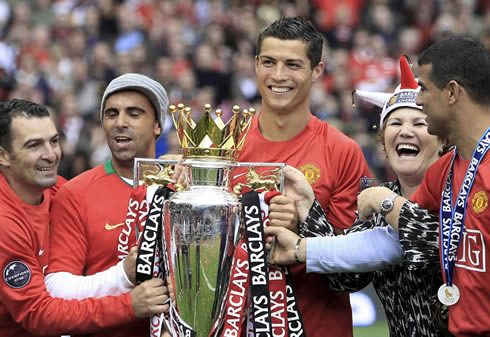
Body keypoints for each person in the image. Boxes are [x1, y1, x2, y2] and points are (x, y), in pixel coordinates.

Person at [264, 56, 450, 337]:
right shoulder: (377, 204)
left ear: (443, 139)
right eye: (395, 122)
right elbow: (345, 276)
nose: (406, 131)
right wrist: (308, 206)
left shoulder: (458, 189)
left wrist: (384, 201)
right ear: (384, 141)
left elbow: (429, 238)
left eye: (419, 123)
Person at [237, 16, 373, 337]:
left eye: (293, 64)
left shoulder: (343, 152)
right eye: (269, 62)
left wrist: (304, 225)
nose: (279, 75)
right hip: (238, 325)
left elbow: (355, 266)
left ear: (317, 71)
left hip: (319, 327)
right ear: (256, 65)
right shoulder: (227, 146)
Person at [354, 36, 490, 337]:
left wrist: (383, 200)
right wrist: (302, 243)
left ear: (452, 92)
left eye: (424, 90)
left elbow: (424, 233)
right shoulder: (444, 171)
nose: (418, 99)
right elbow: (414, 225)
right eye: (395, 123)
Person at [0, 99, 169, 337]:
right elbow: (39, 315)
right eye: (34, 145)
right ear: (3, 156)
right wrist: (129, 303)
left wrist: (166, 176)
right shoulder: (5, 223)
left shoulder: (59, 189)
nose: (50, 155)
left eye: (54, 141)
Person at [46, 73, 170, 337]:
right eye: (111, 114)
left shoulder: (186, 187)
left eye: (134, 114)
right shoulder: (75, 193)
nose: (120, 123)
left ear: (157, 125)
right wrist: (122, 277)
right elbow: (57, 289)